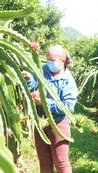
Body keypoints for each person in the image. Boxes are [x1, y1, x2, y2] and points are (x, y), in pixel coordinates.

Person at [22, 45, 78, 173]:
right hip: (41, 121)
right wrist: (30, 79)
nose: (49, 63)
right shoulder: (43, 70)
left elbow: (67, 106)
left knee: (61, 162)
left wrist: (44, 102)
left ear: (62, 61)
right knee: (44, 162)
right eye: (48, 59)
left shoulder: (68, 81)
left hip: (59, 123)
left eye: (52, 60)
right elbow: (35, 84)